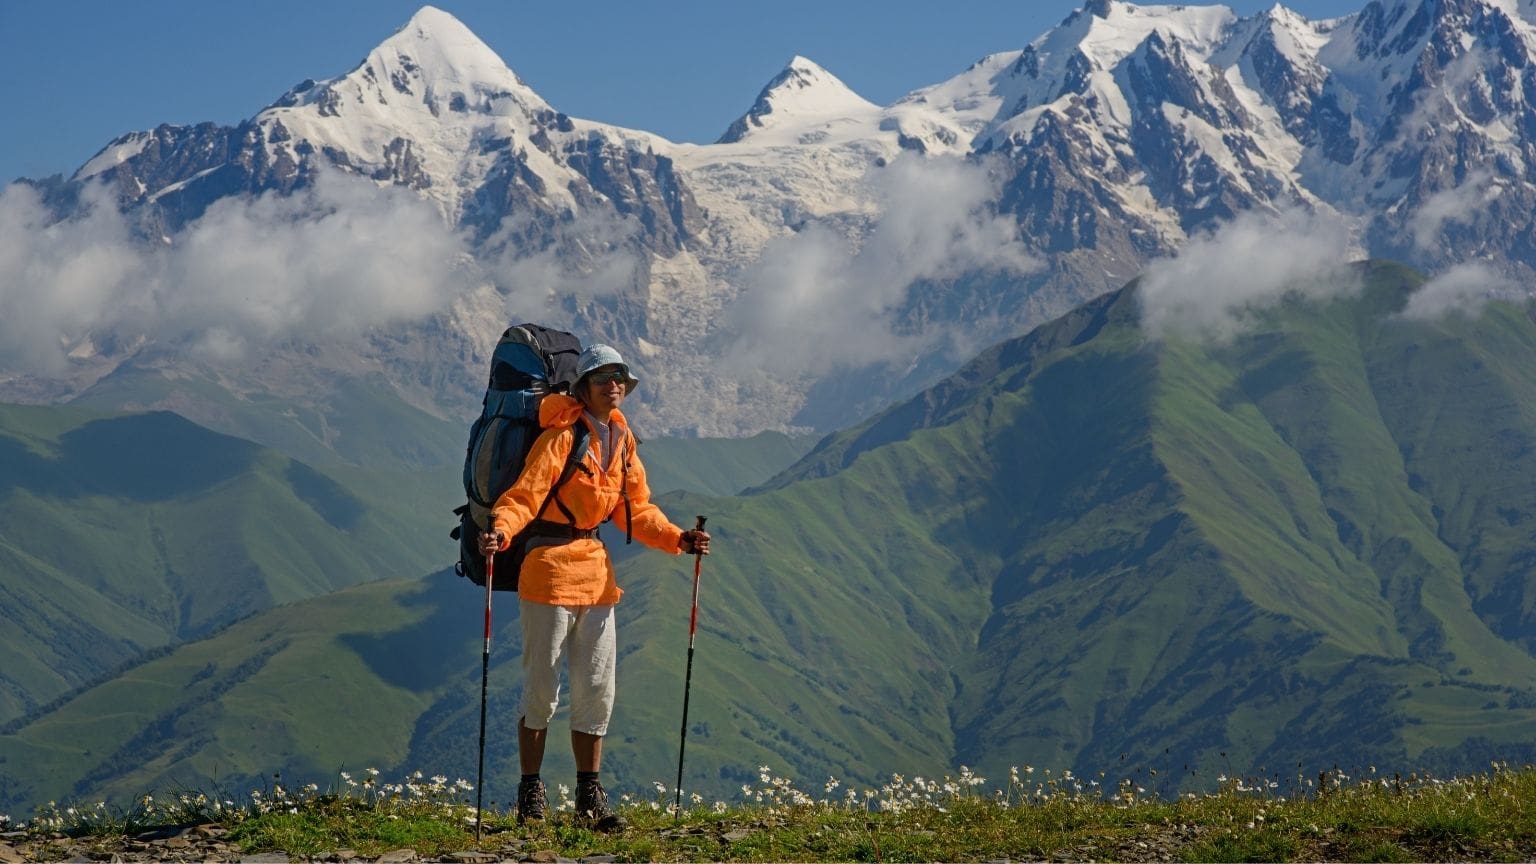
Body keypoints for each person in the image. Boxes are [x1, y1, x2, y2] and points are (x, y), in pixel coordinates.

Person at [478, 343, 710, 832]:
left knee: (597, 691)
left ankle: (589, 794)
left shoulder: (621, 441)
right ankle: (531, 794)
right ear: (582, 387)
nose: (615, 385)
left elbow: (635, 511)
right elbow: (526, 494)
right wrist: (501, 528)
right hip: (546, 572)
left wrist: (679, 540)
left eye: (620, 377)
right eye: (604, 377)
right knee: (541, 691)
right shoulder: (561, 436)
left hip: (597, 577)